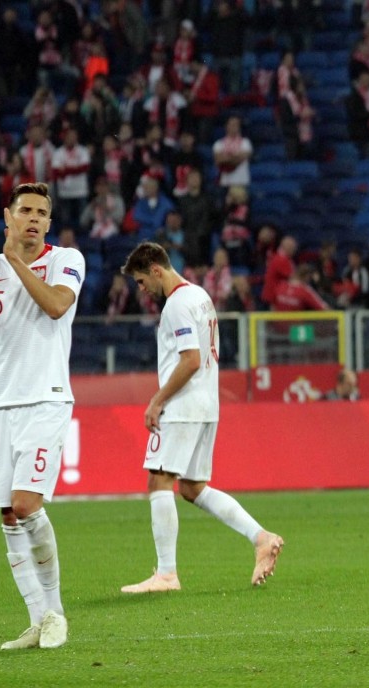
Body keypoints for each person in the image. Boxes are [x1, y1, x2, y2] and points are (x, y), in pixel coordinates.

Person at [0, 183, 85, 650]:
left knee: (27, 504)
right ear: (7, 217)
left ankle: (57, 615)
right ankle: (37, 620)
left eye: (41, 212)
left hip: (47, 399)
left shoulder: (68, 259)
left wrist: (14, 261)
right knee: (8, 515)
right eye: (24, 210)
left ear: (49, 222)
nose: (33, 217)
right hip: (1, 402)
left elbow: (55, 306)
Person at [119, 242, 284, 593]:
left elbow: (190, 360)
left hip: (182, 406)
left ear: (156, 270)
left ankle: (166, 574)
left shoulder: (177, 305)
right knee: (193, 489)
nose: (142, 289)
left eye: (140, 280)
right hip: (207, 405)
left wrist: (157, 400)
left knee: (159, 482)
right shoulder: (200, 296)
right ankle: (261, 537)